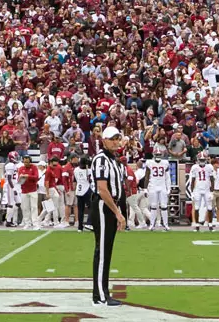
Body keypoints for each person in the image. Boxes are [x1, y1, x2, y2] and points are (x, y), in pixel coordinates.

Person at [91, 126, 128, 308]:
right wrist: (117, 213)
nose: (115, 142)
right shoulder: (101, 160)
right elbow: (102, 189)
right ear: (104, 140)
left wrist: (119, 211)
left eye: (117, 138)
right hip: (103, 206)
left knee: (106, 251)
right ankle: (100, 296)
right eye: (112, 138)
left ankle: (102, 292)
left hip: (110, 206)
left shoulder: (113, 160)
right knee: (103, 251)